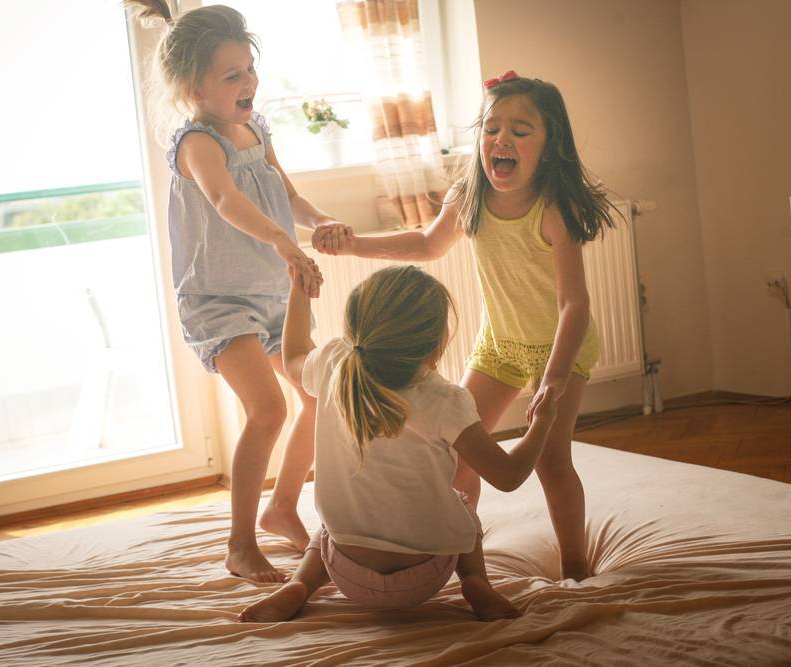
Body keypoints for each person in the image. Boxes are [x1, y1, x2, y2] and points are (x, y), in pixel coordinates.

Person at [314, 72, 616, 581]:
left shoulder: (553, 211)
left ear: (550, 145)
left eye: (521, 131)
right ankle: (460, 551)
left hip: (560, 350)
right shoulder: (468, 195)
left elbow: (574, 306)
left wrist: (556, 378)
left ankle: (575, 565)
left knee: (551, 460)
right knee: (460, 451)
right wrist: (352, 245)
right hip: (500, 344)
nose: (502, 139)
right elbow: (426, 245)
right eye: (492, 127)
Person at [125, 0, 346, 582]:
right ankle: (240, 544)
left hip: (271, 295)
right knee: (267, 409)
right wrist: (283, 242)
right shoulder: (197, 143)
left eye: (249, 68)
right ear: (195, 90)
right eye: (232, 75)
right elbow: (227, 201)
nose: (249, 81)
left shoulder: (257, 129)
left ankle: (281, 508)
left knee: (319, 399)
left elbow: (289, 196)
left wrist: (320, 222)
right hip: (219, 300)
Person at [239, 265, 557, 622]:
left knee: (329, 527)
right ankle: (476, 581)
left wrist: (298, 290)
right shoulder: (445, 400)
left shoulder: (333, 364)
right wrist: (541, 425)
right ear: (436, 345)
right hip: (425, 574)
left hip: (347, 571)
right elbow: (509, 476)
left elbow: (294, 353)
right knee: (462, 504)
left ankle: (301, 584)